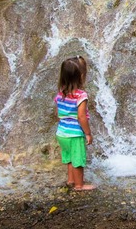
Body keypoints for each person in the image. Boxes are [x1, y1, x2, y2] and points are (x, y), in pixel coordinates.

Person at [54, 55, 95, 191]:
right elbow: (81, 117)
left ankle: (71, 180)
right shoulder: (81, 96)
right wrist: (88, 133)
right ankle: (79, 185)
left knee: (70, 157)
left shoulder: (60, 94)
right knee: (78, 159)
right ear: (81, 76)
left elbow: (58, 114)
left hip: (62, 133)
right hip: (74, 133)